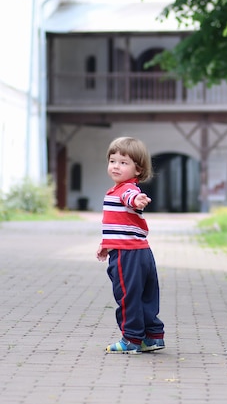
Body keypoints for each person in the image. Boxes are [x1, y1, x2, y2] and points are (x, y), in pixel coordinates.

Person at [96, 137, 165, 354]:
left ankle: (131, 339)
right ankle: (152, 337)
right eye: (113, 160)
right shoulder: (117, 190)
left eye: (123, 163)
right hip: (140, 252)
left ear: (138, 169)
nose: (116, 166)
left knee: (127, 296)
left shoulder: (127, 190)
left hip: (128, 256)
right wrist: (106, 244)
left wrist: (137, 201)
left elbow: (131, 198)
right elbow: (120, 224)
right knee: (145, 295)